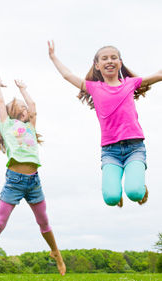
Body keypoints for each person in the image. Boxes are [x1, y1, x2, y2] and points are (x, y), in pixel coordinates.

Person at [0, 76, 66, 281]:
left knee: (44, 221)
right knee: (0, 223)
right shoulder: (7, 126)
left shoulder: (31, 127)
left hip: (34, 182)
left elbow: (34, 107)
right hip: (14, 182)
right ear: (13, 112)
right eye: (22, 107)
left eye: (26, 107)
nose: (26, 109)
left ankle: (56, 253)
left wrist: (24, 89)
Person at [48, 41, 162, 207]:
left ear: (120, 63)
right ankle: (116, 191)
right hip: (110, 151)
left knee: (135, 192)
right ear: (97, 65)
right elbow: (68, 75)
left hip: (134, 147)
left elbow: (158, 75)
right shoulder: (94, 88)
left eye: (114, 58)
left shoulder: (130, 83)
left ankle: (141, 188)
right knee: (111, 199)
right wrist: (53, 57)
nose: (109, 61)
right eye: (104, 58)